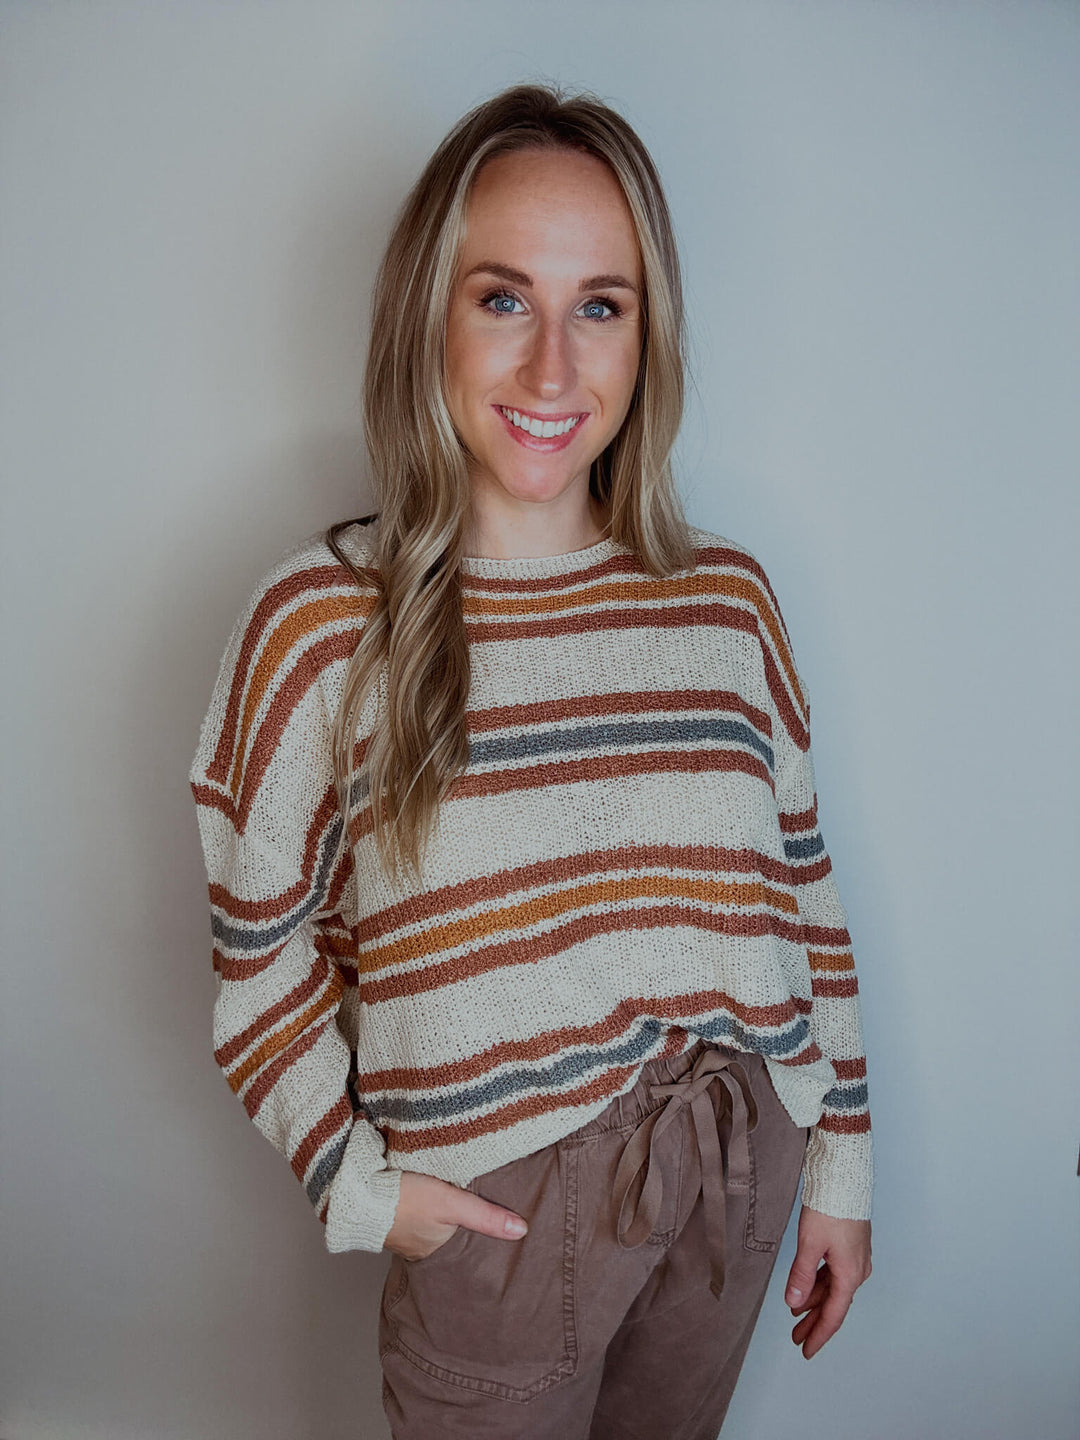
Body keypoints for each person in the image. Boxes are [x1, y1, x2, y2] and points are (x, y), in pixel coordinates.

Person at [189, 82, 873, 1439]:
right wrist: (357, 1185)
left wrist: (841, 1163)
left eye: (600, 306)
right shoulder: (323, 624)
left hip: (738, 1175)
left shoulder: (726, 602)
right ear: (426, 317)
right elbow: (256, 960)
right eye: (503, 298)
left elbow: (804, 894)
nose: (553, 370)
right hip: (499, 1227)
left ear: (647, 335)